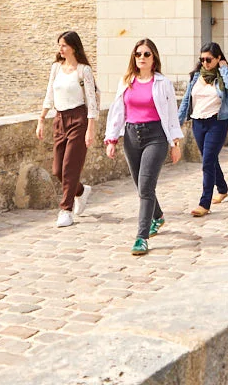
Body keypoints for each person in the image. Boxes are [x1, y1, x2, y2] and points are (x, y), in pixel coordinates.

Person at [103, 38, 183, 255]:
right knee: (141, 186)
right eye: (138, 54)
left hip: (155, 136)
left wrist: (175, 143)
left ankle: (141, 237)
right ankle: (158, 217)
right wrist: (111, 139)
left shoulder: (162, 83)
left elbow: (171, 115)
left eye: (146, 54)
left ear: (154, 57)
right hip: (131, 136)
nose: (142, 58)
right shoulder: (127, 81)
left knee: (146, 186)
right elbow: (118, 111)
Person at [38, 30, 99, 228]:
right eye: (59, 45)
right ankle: (81, 191)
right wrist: (41, 118)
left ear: (73, 47)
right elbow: (49, 93)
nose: (60, 49)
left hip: (79, 119)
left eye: (63, 45)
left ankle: (66, 210)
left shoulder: (84, 70)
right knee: (57, 170)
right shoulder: (56, 68)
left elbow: (91, 101)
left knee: (70, 167)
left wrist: (91, 129)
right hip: (59, 118)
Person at [176, 42, 228, 217]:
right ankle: (223, 189)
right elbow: (187, 100)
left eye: (209, 59)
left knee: (207, 161)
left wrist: (223, 67)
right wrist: (177, 124)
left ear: (218, 59)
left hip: (217, 122)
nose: (205, 63)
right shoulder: (196, 76)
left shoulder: (222, 77)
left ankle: (204, 203)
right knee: (209, 159)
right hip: (198, 123)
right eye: (202, 59)